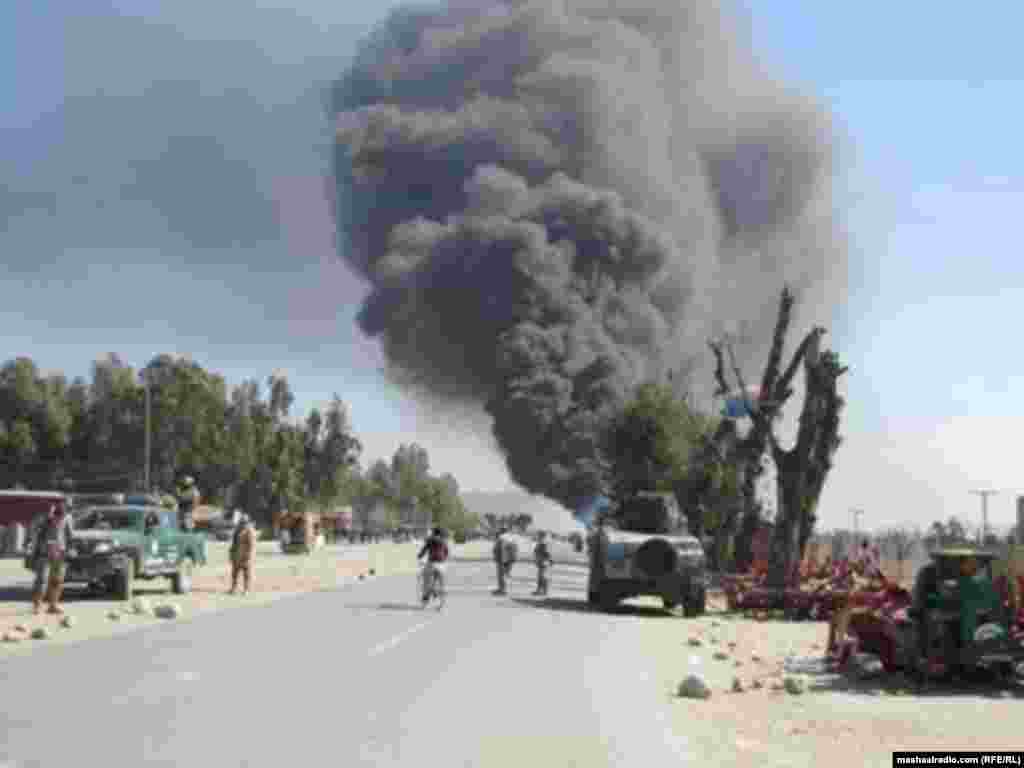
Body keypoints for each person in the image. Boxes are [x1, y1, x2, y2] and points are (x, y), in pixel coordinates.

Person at [29, 503, 74, 615]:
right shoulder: (45, 521)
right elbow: (36, 536)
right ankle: (37, 605)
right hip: (44, 554)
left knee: (57, 580)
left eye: (61, 519)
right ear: (53, 515)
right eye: (57, 519)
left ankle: (53, 605)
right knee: (41, 580)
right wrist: (36, 551)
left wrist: (70, 549)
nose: (58, 521)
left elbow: (70, 536)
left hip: (60, 554)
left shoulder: (66, 520)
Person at [417, 527, 449, 603]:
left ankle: (425, 596)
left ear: (433, 533)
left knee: (426, 579)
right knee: (441, 579)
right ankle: (440, 591)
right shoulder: (444, 541)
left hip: (432, 563)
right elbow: (446, 552)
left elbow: (423, 550)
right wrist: (444, 559)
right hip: (441, 564)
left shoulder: (430, 540)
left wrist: (419, 556)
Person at [229, 513, 257, 595]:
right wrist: (231, 553)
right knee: (234, 573)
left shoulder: (250, 531)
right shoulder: (237, 530)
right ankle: (234, 588)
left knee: (246, 573)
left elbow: (251, 545)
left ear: (247, 522)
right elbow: (234, 543)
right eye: (241, 522)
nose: (242, 524)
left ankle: (246, 589)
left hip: (245, 556)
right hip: (237, 555)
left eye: (244, 522)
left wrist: (249, 556)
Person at [492, 529, 517, 596]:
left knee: (501, 575)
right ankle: (502, 589)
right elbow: (515, 549)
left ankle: (502, 590)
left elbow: (499, 549)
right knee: (505, 575)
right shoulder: (511, 538)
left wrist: (500, 559)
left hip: (503, 559)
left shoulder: (501, 538)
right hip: (510, 559)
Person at [533, 530, 553, 596]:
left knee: (543, 577)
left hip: (543, 562)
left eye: (538, 535)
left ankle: (543, 591)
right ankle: (540, 591)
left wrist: (549, 560)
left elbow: (547, 553)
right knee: (541, 577)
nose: (537, 536)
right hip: (542, 561)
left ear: (541, 536)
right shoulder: (541, 543)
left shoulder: (543, 543)